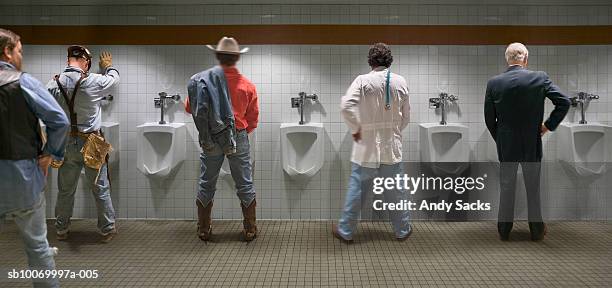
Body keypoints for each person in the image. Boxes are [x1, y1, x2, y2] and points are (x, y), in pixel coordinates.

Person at [0, 28, 69, 288]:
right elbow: (59, 121)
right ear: (7, 51)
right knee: (38, 248)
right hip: (21, 177)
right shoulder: (22, 81)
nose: (20, 57)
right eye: (19, 51)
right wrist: (50, 153)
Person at [485, 42, 570, 241]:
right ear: (526, 58)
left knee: (507, 185)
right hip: (532, 140)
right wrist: (547, 125)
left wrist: (501, 138)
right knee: (533, 186)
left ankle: (504, 230)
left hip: (507, 142)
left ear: (507, 59)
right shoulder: (539, 78)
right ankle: (536, 230)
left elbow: (489, 119)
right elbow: (564, 102)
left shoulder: (494, 82)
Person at [333, 43, 412, 243]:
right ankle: (402, 229)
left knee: (357, 190)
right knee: (396, 191)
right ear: (389, 60)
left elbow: (346, 106)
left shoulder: (362, 81)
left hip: (366, 146)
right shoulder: (400, 81)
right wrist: (394, 130)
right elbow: (406, 116)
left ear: (371, 61)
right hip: (391, 145)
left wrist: (357, 128)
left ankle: (346, 230)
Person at [185, 37, 259, 242]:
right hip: (238, 134)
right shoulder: (247, 86)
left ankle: (204, 228)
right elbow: (253, 118)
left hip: (210, 136)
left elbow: (189, 107)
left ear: (217, 56)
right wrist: (239, 133)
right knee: (244, 182)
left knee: (207, 182)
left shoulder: (203, 81)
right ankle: (250, 227)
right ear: (236, 58)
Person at [47, 45, 120, 243]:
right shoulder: (94, 81)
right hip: (91, 142)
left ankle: (61, 229)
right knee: (100, 188)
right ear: (86, 62)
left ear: (67, 61)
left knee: (65, 190)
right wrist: (108, 67)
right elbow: (114, 80)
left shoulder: (53, 84)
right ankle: (106, 229)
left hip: (66, 142)